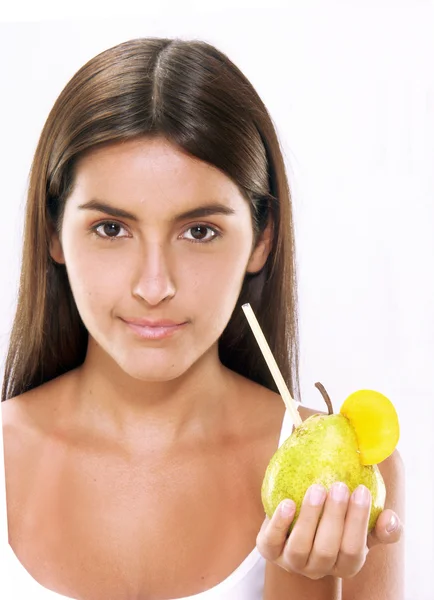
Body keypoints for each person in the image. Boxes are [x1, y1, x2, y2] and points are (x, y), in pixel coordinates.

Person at [0, 37, 404, 600]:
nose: (154, 286)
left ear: (261, 239)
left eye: (200, 231)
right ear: (53, 232)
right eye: (112, 229)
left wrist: (305, 580)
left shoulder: (354, 475)